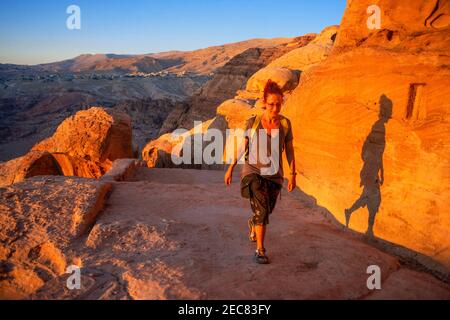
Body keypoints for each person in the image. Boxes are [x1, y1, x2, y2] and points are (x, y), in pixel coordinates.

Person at [224, 79, 296, 264]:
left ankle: (252, 223)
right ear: (264, 103)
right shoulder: (253, 122)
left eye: (278, 104)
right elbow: (243, 147)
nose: (274, 108)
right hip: (253, 171)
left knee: (266, 210)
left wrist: (292, 175)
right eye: (271, 104)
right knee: (262, 210)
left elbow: (289, 151)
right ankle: (260, 250)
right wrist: (231, 168)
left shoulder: (285, 124)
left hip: (274, 174)